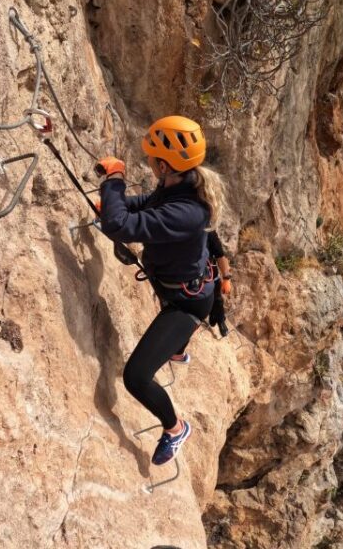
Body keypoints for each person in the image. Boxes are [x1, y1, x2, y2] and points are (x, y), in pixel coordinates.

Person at [97, 115, 227, 466]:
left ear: (166, 164)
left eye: (153, 158)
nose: (149, 163)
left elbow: (119, 226)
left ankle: (175, 428)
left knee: (136, 377)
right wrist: (115, 201)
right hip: (182, 289)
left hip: (186, 305)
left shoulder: (187, 211)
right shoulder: (178, 186)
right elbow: (145, 207)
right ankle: (178, 350)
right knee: (171, 340)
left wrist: (114, 182)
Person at [206, 230, 232, 338]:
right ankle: (211, 315)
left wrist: (226, 278)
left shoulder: (209, 232)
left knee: (217, 299)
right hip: (193, 275)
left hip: (211, 274)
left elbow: (220, 255)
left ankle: (221, 321)